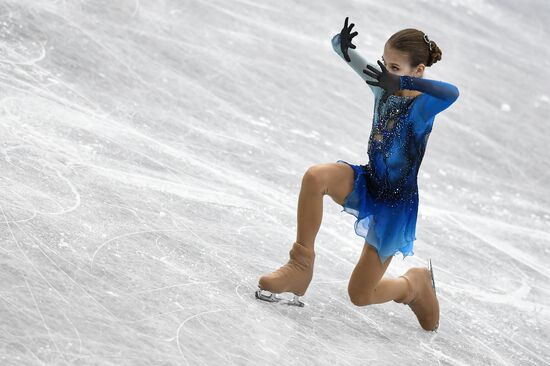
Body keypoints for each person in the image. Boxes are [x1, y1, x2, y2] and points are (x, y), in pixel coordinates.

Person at [255, 17, 459, 332]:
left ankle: (413, 285)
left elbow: (452, 92)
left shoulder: (424, 106)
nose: (386, 72)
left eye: (396, 68)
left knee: (360, 294)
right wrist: (343, 42)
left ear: (418, 71)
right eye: (385, 63)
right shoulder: (382, 84)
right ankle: (300, 266)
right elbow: (341, 48)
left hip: (395, 206)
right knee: (315, 177)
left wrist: (403, 84)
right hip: (367, 181)